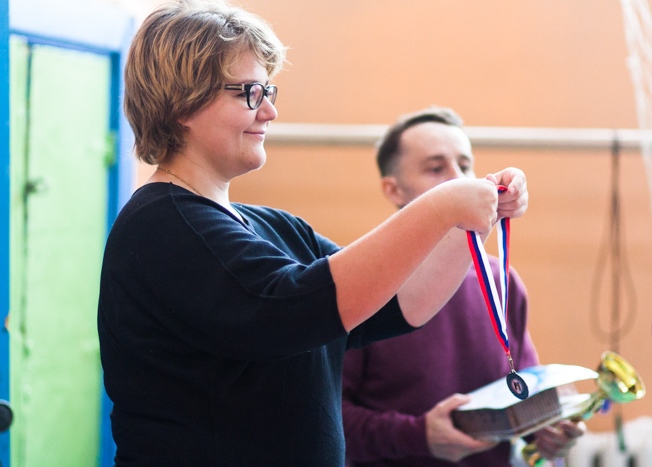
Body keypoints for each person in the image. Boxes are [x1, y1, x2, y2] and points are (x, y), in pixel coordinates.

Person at [97, 2, 529, 465]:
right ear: (185, 102)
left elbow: (398, 303)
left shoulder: (276, 228)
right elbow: (294, 307)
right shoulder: (162, 225)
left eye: (268, 91)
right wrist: (441, 205)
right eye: (250, 93)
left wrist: (469, 220)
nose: (269, 111)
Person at [342, 107, 585, 467]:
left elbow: (522, 388)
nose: (460, 180)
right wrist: (418, 435)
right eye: (436, 168)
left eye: (465, 165)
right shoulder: (362, 281)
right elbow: (327, 415)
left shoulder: (502, 280)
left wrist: (546, 427)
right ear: (394, 189)